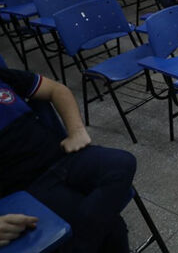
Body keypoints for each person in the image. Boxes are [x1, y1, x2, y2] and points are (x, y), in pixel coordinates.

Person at [0, 67, 136, 252]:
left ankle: (79, 245)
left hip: (62, 156)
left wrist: (76, 131)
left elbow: (57, 89)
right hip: (28, 184)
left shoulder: (3, 74)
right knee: (113, 228)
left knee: (122, 163)